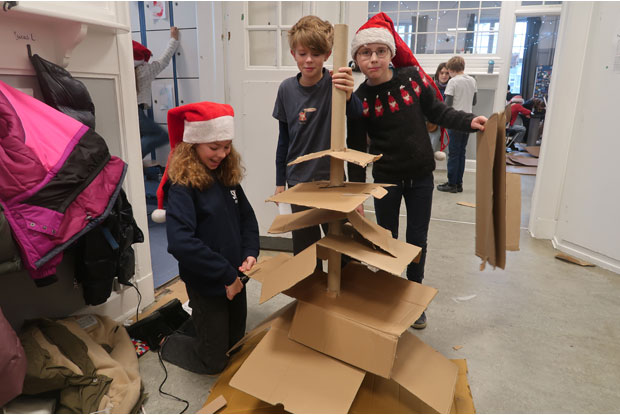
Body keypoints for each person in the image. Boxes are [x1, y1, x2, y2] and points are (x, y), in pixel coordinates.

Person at [347, 13, 487, 330]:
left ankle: (414, 296)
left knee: (417, 238)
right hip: (386, 178)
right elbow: (355, 149)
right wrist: (356, 194)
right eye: (365, 53)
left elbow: (438, 111)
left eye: (380, 51)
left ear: (391, 53)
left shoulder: (412, 79)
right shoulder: (359, 100)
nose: (373, 59)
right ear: (357, 58)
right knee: (387, 238)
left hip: (421, 176)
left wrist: (469, 121)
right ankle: (390, 293)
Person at [151, 102, 259, 375]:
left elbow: (246, 217)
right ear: (194, 144)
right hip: (208, 281)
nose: (222, 154)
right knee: (214, 362)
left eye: (227, 147)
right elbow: (181, 243)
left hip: (234, 277)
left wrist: (250, 251)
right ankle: (165, 340)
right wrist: (227, 275)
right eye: (214, 147)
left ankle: (197, 326)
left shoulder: (225, 175)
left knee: (235, 344)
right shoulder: (182, 186)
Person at [273, 15, 362, 255]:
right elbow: (284, 140)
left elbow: (356, 115)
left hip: (332, 178)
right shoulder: (286, 89)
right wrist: (280, 182)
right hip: (298, 181)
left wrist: (349, 93)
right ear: (293, 54)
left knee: (343, 249)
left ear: (328, 54)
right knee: (306, 251)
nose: (309, 60)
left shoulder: (335, 83)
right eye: (302, 54)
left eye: (316, 53)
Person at [133, 27, 179, 159]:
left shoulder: (121, 71)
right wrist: (174, 39)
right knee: (159, 135)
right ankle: (133, 161)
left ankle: (134, 163)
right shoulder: (142, 71)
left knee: (135, 139)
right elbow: (163, 61)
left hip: (123, 113)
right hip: (136, 112)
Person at [437, 56, 478, 193]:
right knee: (461, 153)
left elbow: (447, 104)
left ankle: (451, 184)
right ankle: (459, 183)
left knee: (453, 153)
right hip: (469, 120)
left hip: (455, 121)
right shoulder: (472, 80)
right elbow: (474, 102)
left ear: (451, 69)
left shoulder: (453, 81)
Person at [428, 62, 450, 160]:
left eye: (447, 73)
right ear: (438, 73)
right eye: (442, 73)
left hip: (448, 121)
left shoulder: (452, 87)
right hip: (434, 122)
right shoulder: (432, 87)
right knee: (430, 147)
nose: (444, 76)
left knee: (449, 149)